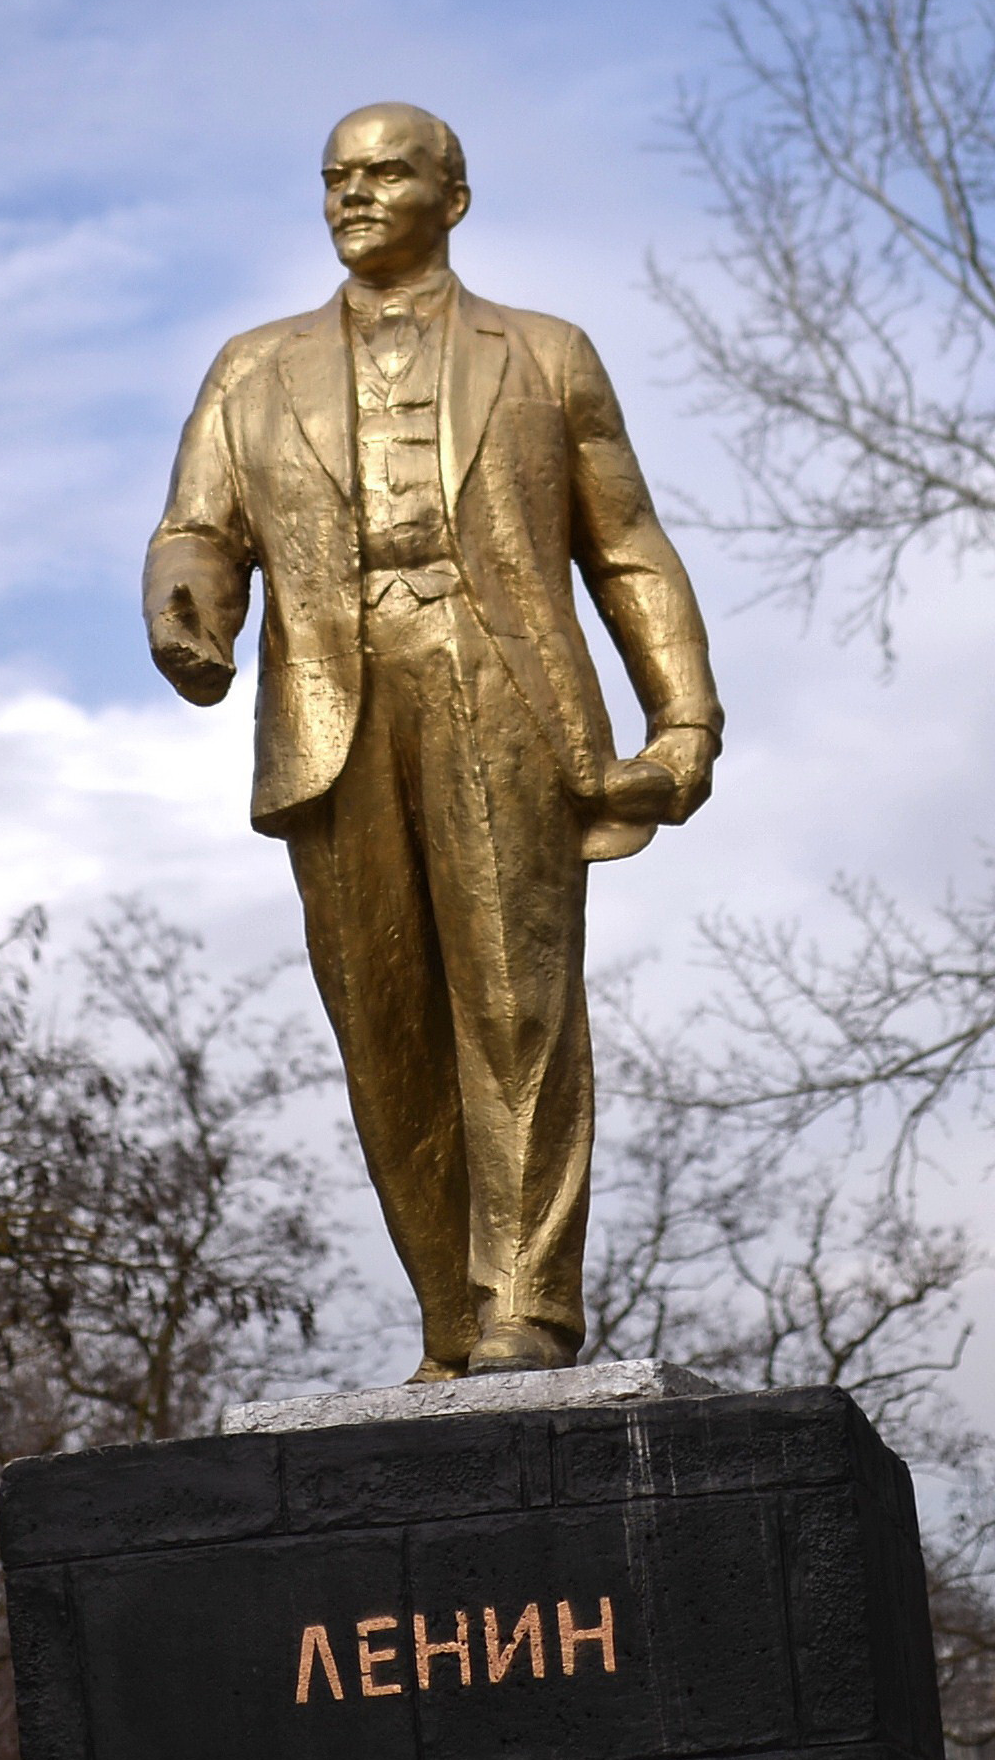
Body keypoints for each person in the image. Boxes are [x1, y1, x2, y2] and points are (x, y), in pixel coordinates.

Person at [143, 101, 722, 1380]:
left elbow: (626, 546)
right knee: (383, 1023)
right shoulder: (250, 366)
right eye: (334, 177)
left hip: (499, 684)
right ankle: (451, 1324)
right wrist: (187, 608)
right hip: (328, 709)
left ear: (451, 197)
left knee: (517, 1003)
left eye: (384, 173)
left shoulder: (546, 354)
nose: (352, 196)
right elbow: (195, 529)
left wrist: (683, 713)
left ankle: (527, 1303)